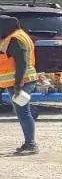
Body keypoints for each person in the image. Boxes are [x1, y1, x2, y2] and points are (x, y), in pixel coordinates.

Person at [0, 15, 38, 154]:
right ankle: (29, 143)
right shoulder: (18, 35)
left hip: (21, 81)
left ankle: (31, 144)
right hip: (21, 80)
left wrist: (18, 85)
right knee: (23, 112)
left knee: (23, 113)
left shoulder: (15, 39)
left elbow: (21, 63)